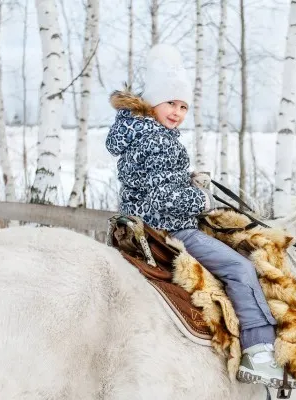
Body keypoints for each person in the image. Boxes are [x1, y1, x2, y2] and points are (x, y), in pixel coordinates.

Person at [106, 44, 284, 388]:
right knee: (241, 267)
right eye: (171, 102)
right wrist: (200, 197)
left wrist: (186, 180)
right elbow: (164, 199)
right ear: (153, 101)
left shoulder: (137, 133)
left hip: (145, 221)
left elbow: (154, 183)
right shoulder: (160, 139)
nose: (177, 112)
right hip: (169, 230)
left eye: (184, 106)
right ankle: (259, 352)